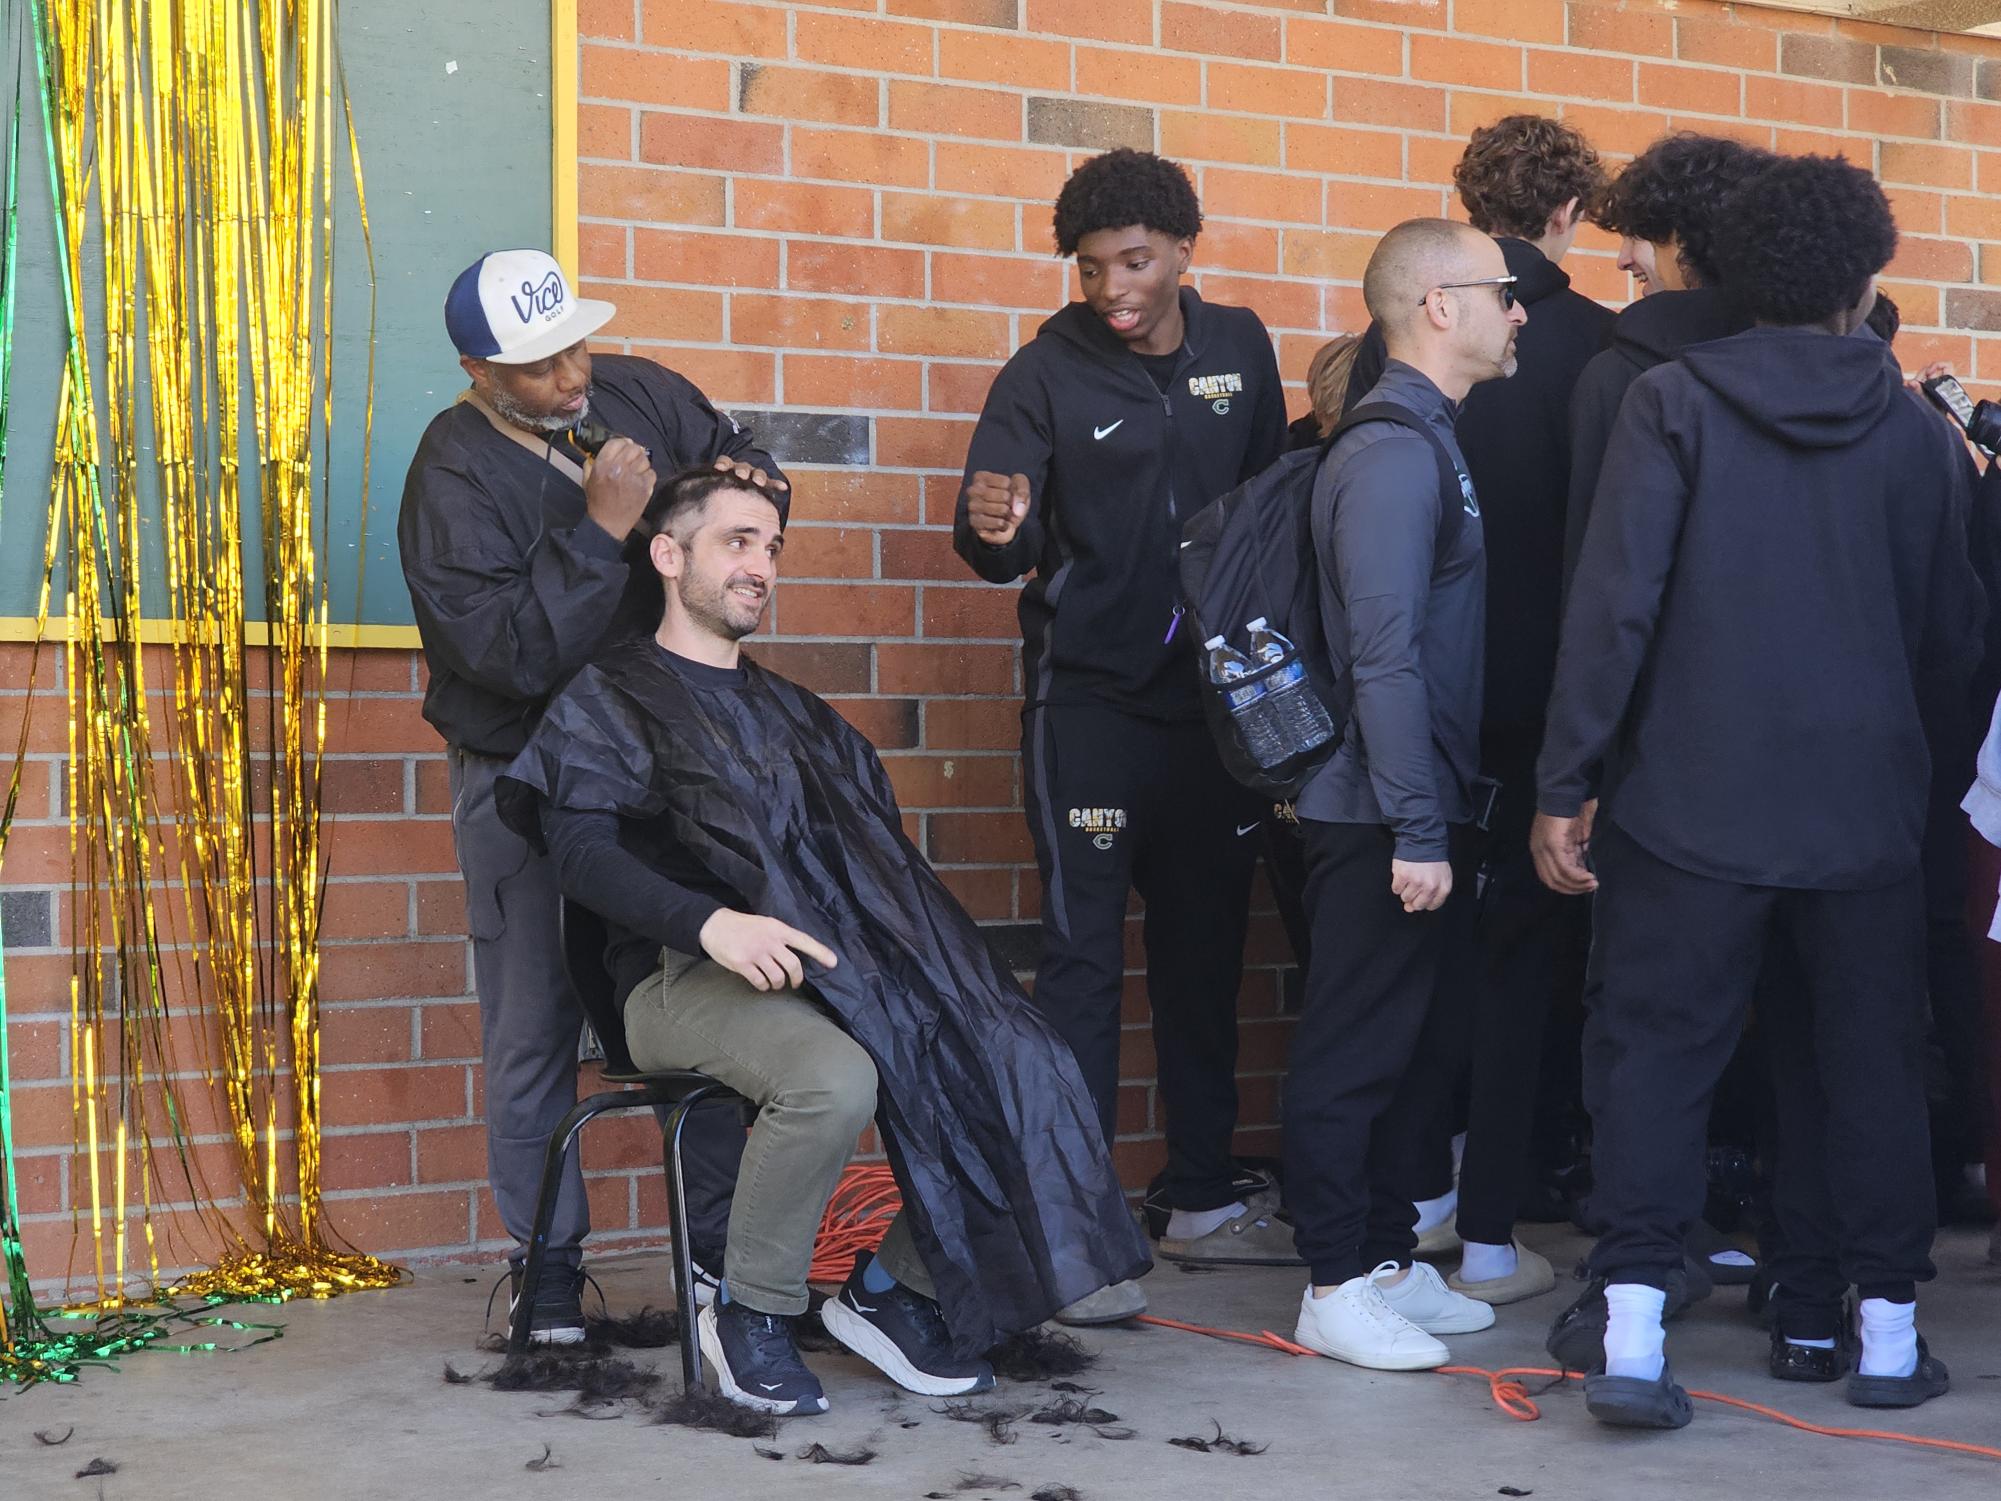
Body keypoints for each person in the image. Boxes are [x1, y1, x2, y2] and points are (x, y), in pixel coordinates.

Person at [496, 466, 1149, 1415]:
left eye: (771, 547)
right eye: (736, 541)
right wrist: (712, 922)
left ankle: (895, 1291)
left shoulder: (799, 716)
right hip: (680, 976)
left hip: (822, 970)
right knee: (833, 1079)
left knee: (1017, 1053)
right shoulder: (611, 692)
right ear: (669, 556)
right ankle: (749, 1313)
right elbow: (582, 856)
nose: (760, 564)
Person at [1532, 155, 1982, 1428]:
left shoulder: (1670, 404)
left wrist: (1568, 780)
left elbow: (1612, 611)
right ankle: (1887, 1341)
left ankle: (1628, 1343)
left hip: (1688, 807)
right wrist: (1918, 795)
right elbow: (1951, 644)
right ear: (1865, 276)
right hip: (1866, 818)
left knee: (1656, 1063)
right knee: (1869, 1069)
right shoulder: (1916, 434)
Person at [398, 248, 786, 1343]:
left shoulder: (638, 389)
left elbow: (745, 460)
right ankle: (551, 1268)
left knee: (711, 1008)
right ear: (478, 369)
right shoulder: (452, 474)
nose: (571, 376)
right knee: (531, 1027)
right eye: (535, 365)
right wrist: (605, 527)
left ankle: (717, 1267)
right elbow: (508, 657)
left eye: (574, 342)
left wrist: (744, 504)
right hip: (523, 782)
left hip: (666, 766)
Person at [954, 147, 1291, 1308]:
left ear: (1186, 248)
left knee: (1205, 957)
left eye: (1134, 261)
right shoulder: (1040, 374)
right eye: (1090, 266)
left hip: (1211, 718)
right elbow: (993, 539)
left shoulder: (1241, 349)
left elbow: (1268, 522)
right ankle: (1076, 1232)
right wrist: (995, 525)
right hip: (1087, 709)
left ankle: (1200, 1194)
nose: (1111, 287)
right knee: (1084, 969)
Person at [1343, 115, 1615, 1301]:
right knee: (1515, 974)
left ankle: (1413, 1217)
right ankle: (1490, 1232)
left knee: (1423, 969)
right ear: (1569, 217)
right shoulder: (1600, 350)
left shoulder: (1391, 340)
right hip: (1547, 708)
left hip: (1416, 712)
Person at [1284, 218, 1524, 1372]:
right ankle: (1331, 1282)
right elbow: (1381, 657)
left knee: (1414, 1049)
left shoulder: (1431, 436)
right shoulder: (1387, 453)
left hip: (1417, 808)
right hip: (1377, 813)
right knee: (1353, 1048)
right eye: (1502, 291)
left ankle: (1384, 1258)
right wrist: (1418, 827)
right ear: (1440, 303)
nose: (1519, 309)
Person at [1565, 133, 1778, 578]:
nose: (1623, 260)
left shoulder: (1620, 379)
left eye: (1637, 236)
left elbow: (1602, 570)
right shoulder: (1816, 367)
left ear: (1683, 238)